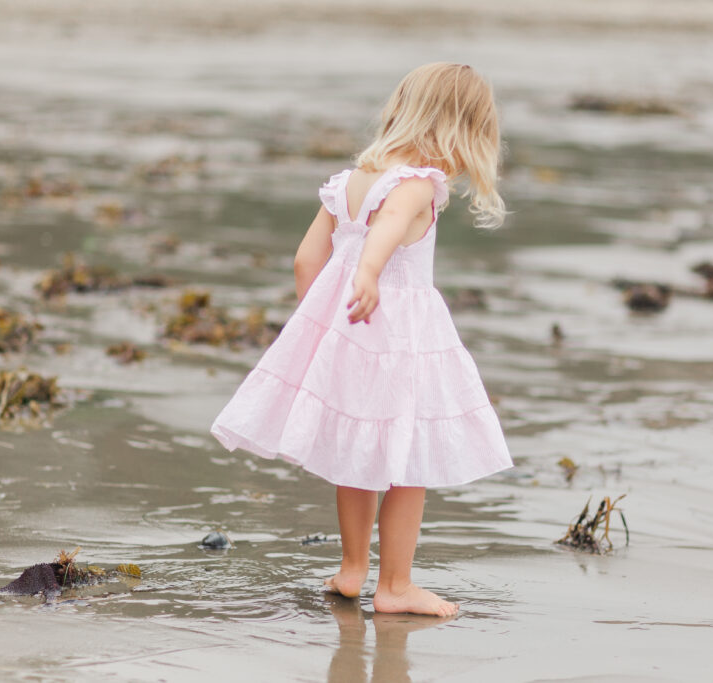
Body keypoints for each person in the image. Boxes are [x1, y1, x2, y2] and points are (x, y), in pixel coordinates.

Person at [210, 62, 513, 617]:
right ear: (464, 131)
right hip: (400, 340)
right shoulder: (418, 184)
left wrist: (323, 327)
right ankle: (395, 586)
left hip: (352, 334)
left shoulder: (351, 181)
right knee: (407, 463)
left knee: (358, 456)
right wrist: (370, 273)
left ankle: (352, 570)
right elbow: (392, 224)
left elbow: (306, 260)